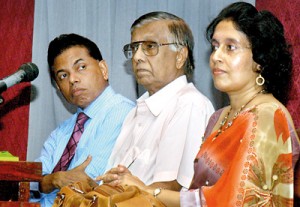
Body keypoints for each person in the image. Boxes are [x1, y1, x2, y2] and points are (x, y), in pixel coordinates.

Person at [103, 2, 300, 206]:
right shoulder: (219, 117)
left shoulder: (268, 116)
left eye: (230, 47)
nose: (216, 57)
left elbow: (230, 200)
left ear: (260, 60)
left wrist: (145, 190)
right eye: (215, 47)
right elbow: (196, 190)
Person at [97, 11, 214, 191]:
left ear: (180, 56)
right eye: (134, 48)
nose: (137, 57)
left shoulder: (189, 105)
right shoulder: (134, 112)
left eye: (150, 47)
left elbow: (175, 189)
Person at [30, 33, 135, 207]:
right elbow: (27, 180)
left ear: (103, 69)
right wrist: (53, 180)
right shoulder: (62, 131)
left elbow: (86, 181)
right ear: (58, 87)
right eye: (63, 76)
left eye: (81, 67)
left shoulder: (122, 112)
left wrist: (46, 181)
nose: (72, 79)